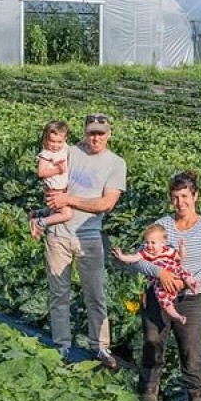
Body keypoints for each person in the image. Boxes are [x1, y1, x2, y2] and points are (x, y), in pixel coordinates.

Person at [43, 113, 126, 369]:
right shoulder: (71, 151)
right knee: (59, 294)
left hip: (89, 237)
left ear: (109, 134)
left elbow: (106, 204)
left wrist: (68, 200)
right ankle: (62, 346)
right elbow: (49, 159)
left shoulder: (116, 164)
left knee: (95, 294)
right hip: (58, 233)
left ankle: (100, 347)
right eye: (91, 132)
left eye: (101, 133)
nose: (96, 138)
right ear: (84, 132)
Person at [138, 171, 201, 401]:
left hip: (190, 300)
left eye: (185, 196)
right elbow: (140, 259)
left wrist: (186, 282)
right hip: (158, 298)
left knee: (191, 355)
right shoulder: (163, 225)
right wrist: (160, 273)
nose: (180, 202)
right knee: (153, 347)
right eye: (175, 198)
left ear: (195, 196)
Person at [111, 223, 201, 326]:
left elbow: (180, 257)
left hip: (174, 272)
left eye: (153, 243)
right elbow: (133, 259)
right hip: (159, 281)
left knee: (185, 274)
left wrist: (182, 247)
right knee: (163, 298)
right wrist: (122, 256)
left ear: (163, 243)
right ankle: (176, 315)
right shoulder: (145, 253)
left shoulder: (168, 251)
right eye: (146, 242)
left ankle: (193, 286)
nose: (149, 246)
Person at [29, 119, 73, 240]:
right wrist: (57, 170)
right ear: (45, 139)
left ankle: (37, 213)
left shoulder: (64, 148)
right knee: (67, 214)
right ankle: (39, 222)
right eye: (52, 141)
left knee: (55, 208)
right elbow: (41, 173)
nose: (55, 145)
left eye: (59, 142)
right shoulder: (46, 154)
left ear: (65, 139)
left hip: (63, 189)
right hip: (54, 190)